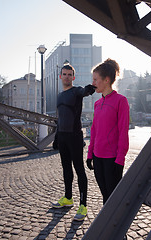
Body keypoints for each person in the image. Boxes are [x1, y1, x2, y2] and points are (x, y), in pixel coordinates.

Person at [51, 64, 96, 221]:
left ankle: (83, 205)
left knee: (79, 170)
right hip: (62, 137)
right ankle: (68, 198)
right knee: (66, 169)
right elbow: (60, 118)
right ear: (60, 76)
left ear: (73, 77)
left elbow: (84, 91)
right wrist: (56, 137)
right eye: (64, 74)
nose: (67, 76)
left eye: (70, 74)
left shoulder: (76, 91)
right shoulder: (59, 96)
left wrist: (90, 88)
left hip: (75, 137)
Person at [86, 58, 130, 205]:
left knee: (113, 198)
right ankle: (107, 225)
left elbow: (123, 131)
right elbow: (94, 130)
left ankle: (113, 225)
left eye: (95, 79)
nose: (93, 83)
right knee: (105, 196)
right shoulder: (97, 104)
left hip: (112, 159)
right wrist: (89, 154)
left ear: (106, 80)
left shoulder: (121, 101)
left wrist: (120, 160)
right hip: (98, 158)